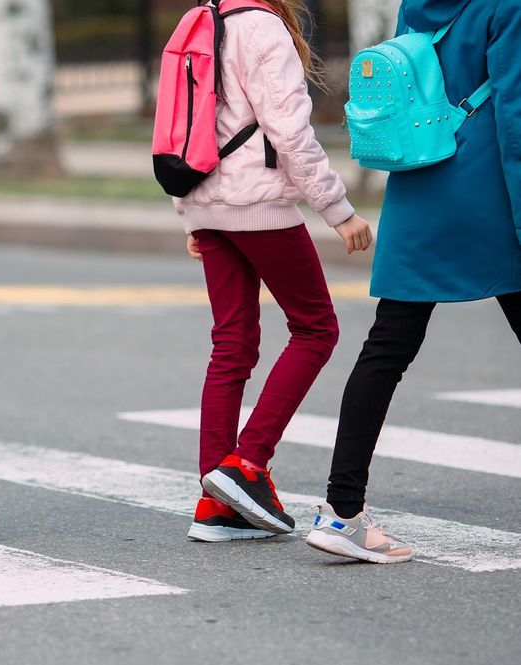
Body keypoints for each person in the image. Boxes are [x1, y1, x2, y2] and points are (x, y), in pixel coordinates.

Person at [307, 0, 521, 564]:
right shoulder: (506, 6)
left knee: (386, 348)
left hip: (419, 181)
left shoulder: (416, 3)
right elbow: (513, 117)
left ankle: (341, 510)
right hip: (485, 192)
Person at [177, 0, 374, 543]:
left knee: (231, 344)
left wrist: (191, 212)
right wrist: (339, 210)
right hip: (258, 204)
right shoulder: (262, 27)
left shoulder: (200, 20)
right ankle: (247, 464)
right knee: (316, 328)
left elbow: (178, 125)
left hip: (205, 199)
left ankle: (217, 505)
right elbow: (290, 132)